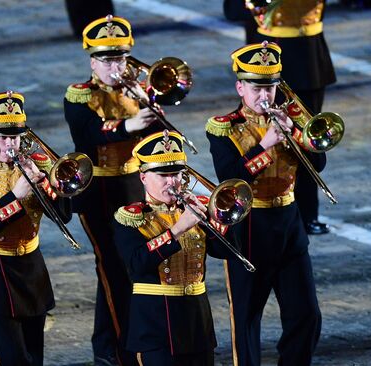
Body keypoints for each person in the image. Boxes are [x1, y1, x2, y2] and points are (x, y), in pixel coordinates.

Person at [205, 41, 323, 366]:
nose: (265, 96)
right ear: (240, 86)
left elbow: (320, 165)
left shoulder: (289, 118)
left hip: (289, 223)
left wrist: (298, 136)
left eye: (270, 87)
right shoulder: (223, 128)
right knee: (246, 320)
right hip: (248, 226)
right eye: (257, 87)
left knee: (307, 315)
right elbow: (230, 176)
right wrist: (266, 145)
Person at [63, 14, 163, 366]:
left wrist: (154, 114)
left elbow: (155, 143)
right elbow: (89, 135)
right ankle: (120, 350)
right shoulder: (79, 96)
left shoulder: (137, 90)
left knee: (132, 267)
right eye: (107, 59)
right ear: (93, 61)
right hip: (100, 191)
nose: (115, 66)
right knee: (114, 268)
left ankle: (108, 341)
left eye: (120, 58)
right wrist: (129, 124)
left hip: (135, 185)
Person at [0, 91, 72, 365]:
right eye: (3, 137)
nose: (11, 144)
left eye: (15, 137)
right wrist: (16, 196)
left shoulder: (34, 167)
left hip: (31, 272)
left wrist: (53, 189)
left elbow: (64, 217)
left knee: (34, 358)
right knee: (11, 360)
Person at [112, 129, 232, 365]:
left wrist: (212, 219)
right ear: (143, 176)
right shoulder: (131, 218)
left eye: (176, 174)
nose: (172, 181)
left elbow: (228, 251)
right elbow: (137, 265)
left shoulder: (195, 211)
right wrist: (178, 229)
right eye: (163, 175)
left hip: (197, 324)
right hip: (155, 329)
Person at [244, 0, 337, 235]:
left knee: (305, 135)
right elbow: (233, 9)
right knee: (262, 134)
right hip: (268, 51)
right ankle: (264, 212)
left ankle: (307, 214)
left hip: (309, 53)